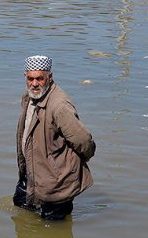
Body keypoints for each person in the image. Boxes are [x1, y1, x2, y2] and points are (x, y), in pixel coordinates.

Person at [13, 55, 96, 220]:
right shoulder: (29, 97)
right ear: (25, 77)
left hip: (57, 182)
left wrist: (66, 167)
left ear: (49, 77)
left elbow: (84, 142)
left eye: (39, 79)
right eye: (30, 79)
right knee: (20, 210)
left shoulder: (59, 106)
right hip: (32, 173)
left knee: (54, 231)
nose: (34, 84)